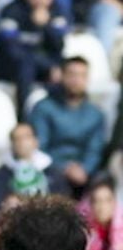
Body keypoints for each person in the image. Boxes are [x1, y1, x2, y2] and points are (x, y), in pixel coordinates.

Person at [31, 58, 107, 193]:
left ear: (87, 79)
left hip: (84, 174)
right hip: (51, 171)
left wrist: (85, 169)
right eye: (72, 74)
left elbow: (95, 150)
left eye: (82, 75)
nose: (76, 80)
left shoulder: (96, 114)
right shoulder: (44, 108)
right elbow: (40, 146)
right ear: (62, 76)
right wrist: (64, 168)